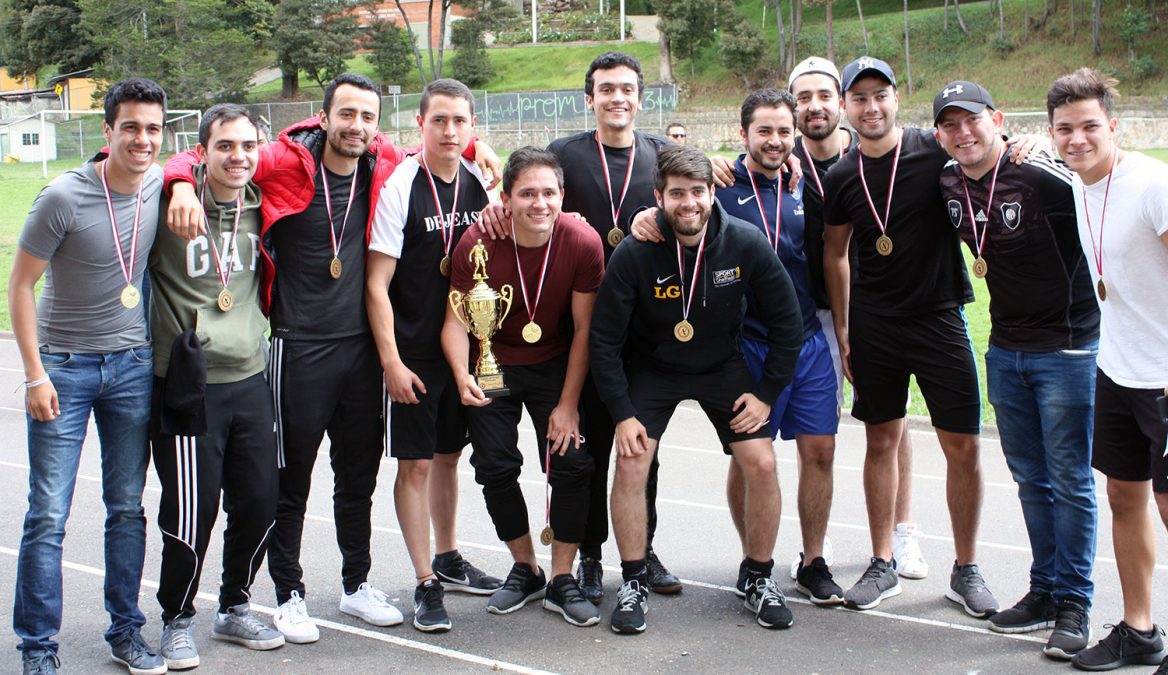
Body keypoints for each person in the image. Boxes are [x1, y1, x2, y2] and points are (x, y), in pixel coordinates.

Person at [163, 72, 502, 643]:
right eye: (346, 114)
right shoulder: (283, 161)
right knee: (290, 478)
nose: (358, 127)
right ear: (323, 118)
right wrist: (177, 184)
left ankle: (355, 585)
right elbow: (211, 153)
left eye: (368, 116)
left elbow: (435, 141)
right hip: (298, 345)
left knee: (357, 476)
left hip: (361, 350)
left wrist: (474, 145)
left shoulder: (381, 161)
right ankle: (289, 594)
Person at [480, 51, 681, 603]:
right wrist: (490, 207)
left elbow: (703, 187)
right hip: (583, 334)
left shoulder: (661, 155)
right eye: (605, 89)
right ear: (588, 99)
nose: (617, 98)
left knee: (644, 449)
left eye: (627, 89)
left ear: (641, 98)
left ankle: (644, 549)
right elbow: (520, 188)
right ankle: (588, 555)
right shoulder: (564, 154)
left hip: (643, 329)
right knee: (584, 451)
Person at [590, 144, 803, 634]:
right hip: (654, 369)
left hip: (719, 367)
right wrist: (622, 413)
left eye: (698, 192)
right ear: (659, 197)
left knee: (762, 461)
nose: (690, 203)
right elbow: (604, 340)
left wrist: (767, 391)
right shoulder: (635, 250)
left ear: (713, 193)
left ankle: (758, 576)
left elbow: (788, 323)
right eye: (678, 193)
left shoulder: (745, 242)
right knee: (631, 460)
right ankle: (633, 579)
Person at [821, 56, 998, 616]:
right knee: (879, 441)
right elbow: (835, 251)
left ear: (897, 98)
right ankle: (881, 563)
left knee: (963, 445)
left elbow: (989, 152)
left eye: (881, 95)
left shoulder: (934, 148)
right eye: (860, 98)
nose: (871, 107)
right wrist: (845, 326)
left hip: (941, 315)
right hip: (875, 324)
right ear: (847, 107)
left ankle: (966, 569)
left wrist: (1028, 148)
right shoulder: (842, 175)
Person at [934, 80, 1099, 659]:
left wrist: (1050, 148)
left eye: (973, 120)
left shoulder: (1039, 172)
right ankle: (1045, 590)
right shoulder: (948, 179)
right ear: (938, 135)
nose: (964, 133)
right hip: (1006, 350)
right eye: (950, 125)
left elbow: (1101, 193)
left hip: (1068, 350)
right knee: (1032, 479)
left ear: (997, 118)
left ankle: (1076, 601)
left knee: (1072, 481)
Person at [9, 77, 169, 675]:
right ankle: (38, 648)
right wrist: (33, 375)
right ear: (108, 131)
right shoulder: (62, 197)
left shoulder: (161, 182)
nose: (142, 139)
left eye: (153, 128)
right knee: (48, 513)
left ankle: (126, 630)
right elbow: (20, 286)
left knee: (127, 507)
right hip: (64, 370)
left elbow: (215, 153)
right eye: (130, 127)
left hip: (131, 368)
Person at [441, 147, 605, 627]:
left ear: (562, 196)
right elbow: (455, 320)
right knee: (494, 466)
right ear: (506, 197)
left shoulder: (582, 241)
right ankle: (525, 566)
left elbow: (583, 330)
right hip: (492, 364)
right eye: (527, 193)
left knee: (572, 461)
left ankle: (561, 577)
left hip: (555, 362)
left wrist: (570, 404)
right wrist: (461, 374)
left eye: (549, 193)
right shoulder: (479, 241)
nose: (539, 203)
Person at [148, 104, 284, 669]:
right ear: (201, 150)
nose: (239, 157)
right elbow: (115, 158)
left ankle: (234, 605)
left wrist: (475, 148)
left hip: (252, 377)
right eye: (225, 146)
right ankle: (177, 618)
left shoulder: (264, 202)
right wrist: (179, 181)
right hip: (187, 385)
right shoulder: (163, 200)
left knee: (259, 502)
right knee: (191, 512)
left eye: (248, 146)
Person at [367, 78, 503, 633]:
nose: (450, 131)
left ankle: (448, 557)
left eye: (460, 122)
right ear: (418, 125)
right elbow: (376, 285)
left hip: (468, 347)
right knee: (417, 463)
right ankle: (424, 580)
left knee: (450, 456)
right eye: (439, 121)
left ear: (472, 129)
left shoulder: (478, 180)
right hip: (415, 351)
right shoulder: (402, 185)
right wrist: (392, 362)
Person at [786, 56, 927, 582]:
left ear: (840, 102)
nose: (815, 106)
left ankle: (903, 535)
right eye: (803, 97)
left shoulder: (874, 150)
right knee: (812, 436)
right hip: (808, 314)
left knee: (890, 425)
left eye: (824, 95)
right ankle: (811, 553)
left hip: (877, 309)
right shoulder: (779, 156)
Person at [1046, 68, 1168, 672]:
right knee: (1126, 497)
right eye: (1064, 129)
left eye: (1090, 126)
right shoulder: (1076, 183)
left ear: (1113, 126)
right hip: (1117, 369)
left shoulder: (1152, 185)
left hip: (1166, 375)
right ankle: (1140, 630)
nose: (1078, 139)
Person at [706, 88, 843, 605]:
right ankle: (752, 559)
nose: (775, 140)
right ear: (743, 134)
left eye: (784, 131)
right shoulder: (718, 187)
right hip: (747, 348)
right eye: (764, 130)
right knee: (751, 460)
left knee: (822, 451)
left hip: (806, 342)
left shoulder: (806, 186)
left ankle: (813, 561)